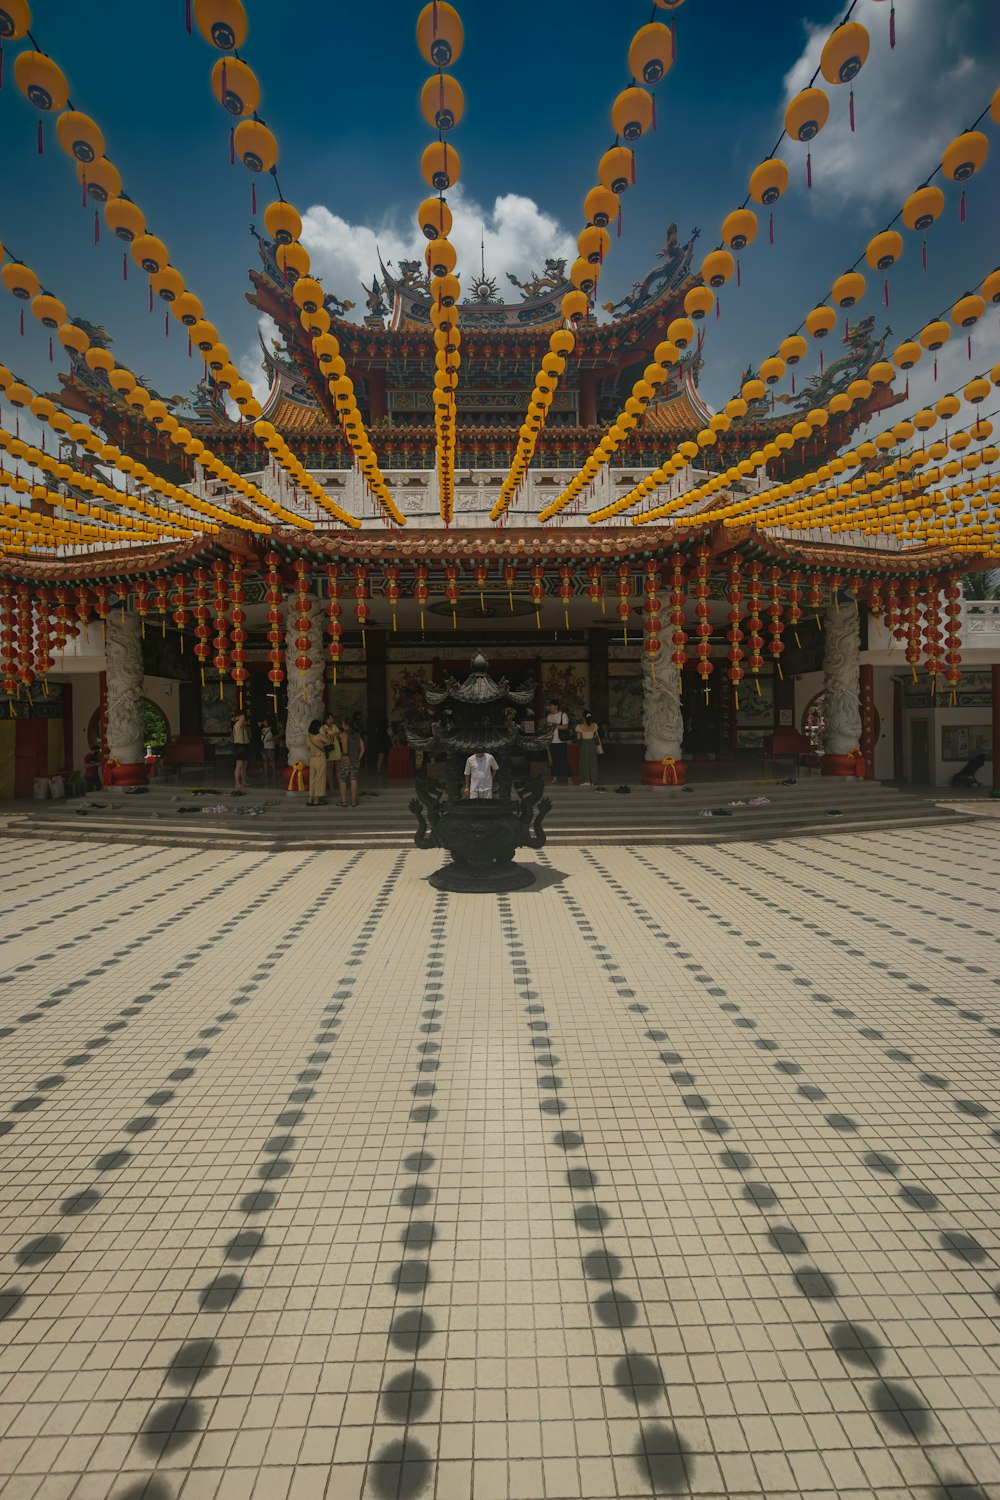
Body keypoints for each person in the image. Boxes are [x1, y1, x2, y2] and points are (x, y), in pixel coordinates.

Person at [337, 717, 365, 808]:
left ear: (346, 725)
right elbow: (363, 749)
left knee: (342, 779)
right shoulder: (357, 734)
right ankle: (353, 801)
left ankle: (344, 801)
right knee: (353, 779)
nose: (342, 725)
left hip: (346, 760)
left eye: (342, 723)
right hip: (355, 760)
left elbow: (344, 745)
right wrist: (358, 758)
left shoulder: (344, 734)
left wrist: (345, 755)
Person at [305, 718, 330, 806]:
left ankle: (310, 798)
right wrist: (325, 732)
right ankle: (316, 800)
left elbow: (307, 748)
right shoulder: (319, 736)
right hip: (320, 758)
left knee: (312, 779)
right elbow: (329, 741)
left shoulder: (308, 737)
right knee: (320, 778)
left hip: (312, 759)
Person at [546, 699, 571, 784]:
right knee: (554, 761)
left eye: (551, 705)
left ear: (556, 706)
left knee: (563, 759)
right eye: (549, 706)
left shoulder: (563, 715)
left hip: (560, 741)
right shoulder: (549, 716)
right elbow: (548, 729)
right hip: (551, 741)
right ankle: (554, 778)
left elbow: (565, 727)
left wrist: (553, 725)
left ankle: (569, 777)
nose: (550, 707)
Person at [575, 711, 602, 787]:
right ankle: (593, 781)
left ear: (583, 717)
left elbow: (578, 738)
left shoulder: (579, 726)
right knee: (593, 762)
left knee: (584, 761)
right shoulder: (594, 725)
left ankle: (585, 781)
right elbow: (595, 737)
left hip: (584, 744)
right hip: (592, 744)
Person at [232, 711, 251, 790]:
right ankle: (237, 783)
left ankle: (243, 781)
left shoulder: (243, 726)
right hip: (239, 746)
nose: (244, 720)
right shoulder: (237, 725)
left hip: (245, 745)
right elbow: (241, 717)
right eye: (243, 719)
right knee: (239, 766)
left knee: (244, 765)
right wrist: (238, 717)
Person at [259, 719, 277, 785]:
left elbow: (276, 736)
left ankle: (274, 773)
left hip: (270, 746)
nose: (264, 722)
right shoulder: (263, 729)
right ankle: (265, 773)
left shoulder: (271, 729)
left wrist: (271, 739)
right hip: (264, 746)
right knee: (265, 760)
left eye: (265, 721)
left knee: (272, 760)